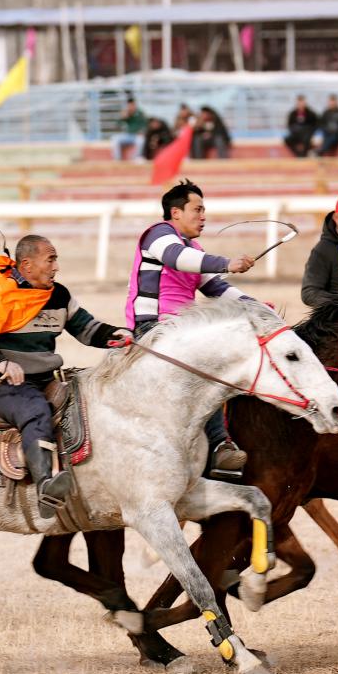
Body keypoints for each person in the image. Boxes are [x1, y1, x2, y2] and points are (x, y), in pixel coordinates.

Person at [0, 235, 128, 518]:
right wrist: (0, 363)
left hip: (46, 379)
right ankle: (45, 487)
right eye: (50, 259)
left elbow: (88, 329)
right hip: (2, 384)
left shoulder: (59, 295)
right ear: (26, 265)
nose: (56, 267)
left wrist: (116, 335)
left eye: (56, 259)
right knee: (36, 410)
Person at [124, 180, 258, 478]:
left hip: (184, 329)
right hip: (152, 329)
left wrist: (257, 308)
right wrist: (227, 262)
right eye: (197, 210)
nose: (203, 216)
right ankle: (220, 443)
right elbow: (178, 259)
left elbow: (215, 287)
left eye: (204, 210)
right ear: (175, 213)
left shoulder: (194, 248)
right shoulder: (158, 235)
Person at [111, 95, 147, 161]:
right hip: (127, 135)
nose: (131, 107)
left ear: (135, 105)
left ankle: (136, 157)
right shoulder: (126, 113)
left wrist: (142, 132)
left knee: (141, 140)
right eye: (129, 105)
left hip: (136, 136)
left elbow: (145, 125)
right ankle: (117, 159)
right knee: (115, 139)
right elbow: (117, 125)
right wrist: (122, 118)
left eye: (132, 105)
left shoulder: (140, 113)